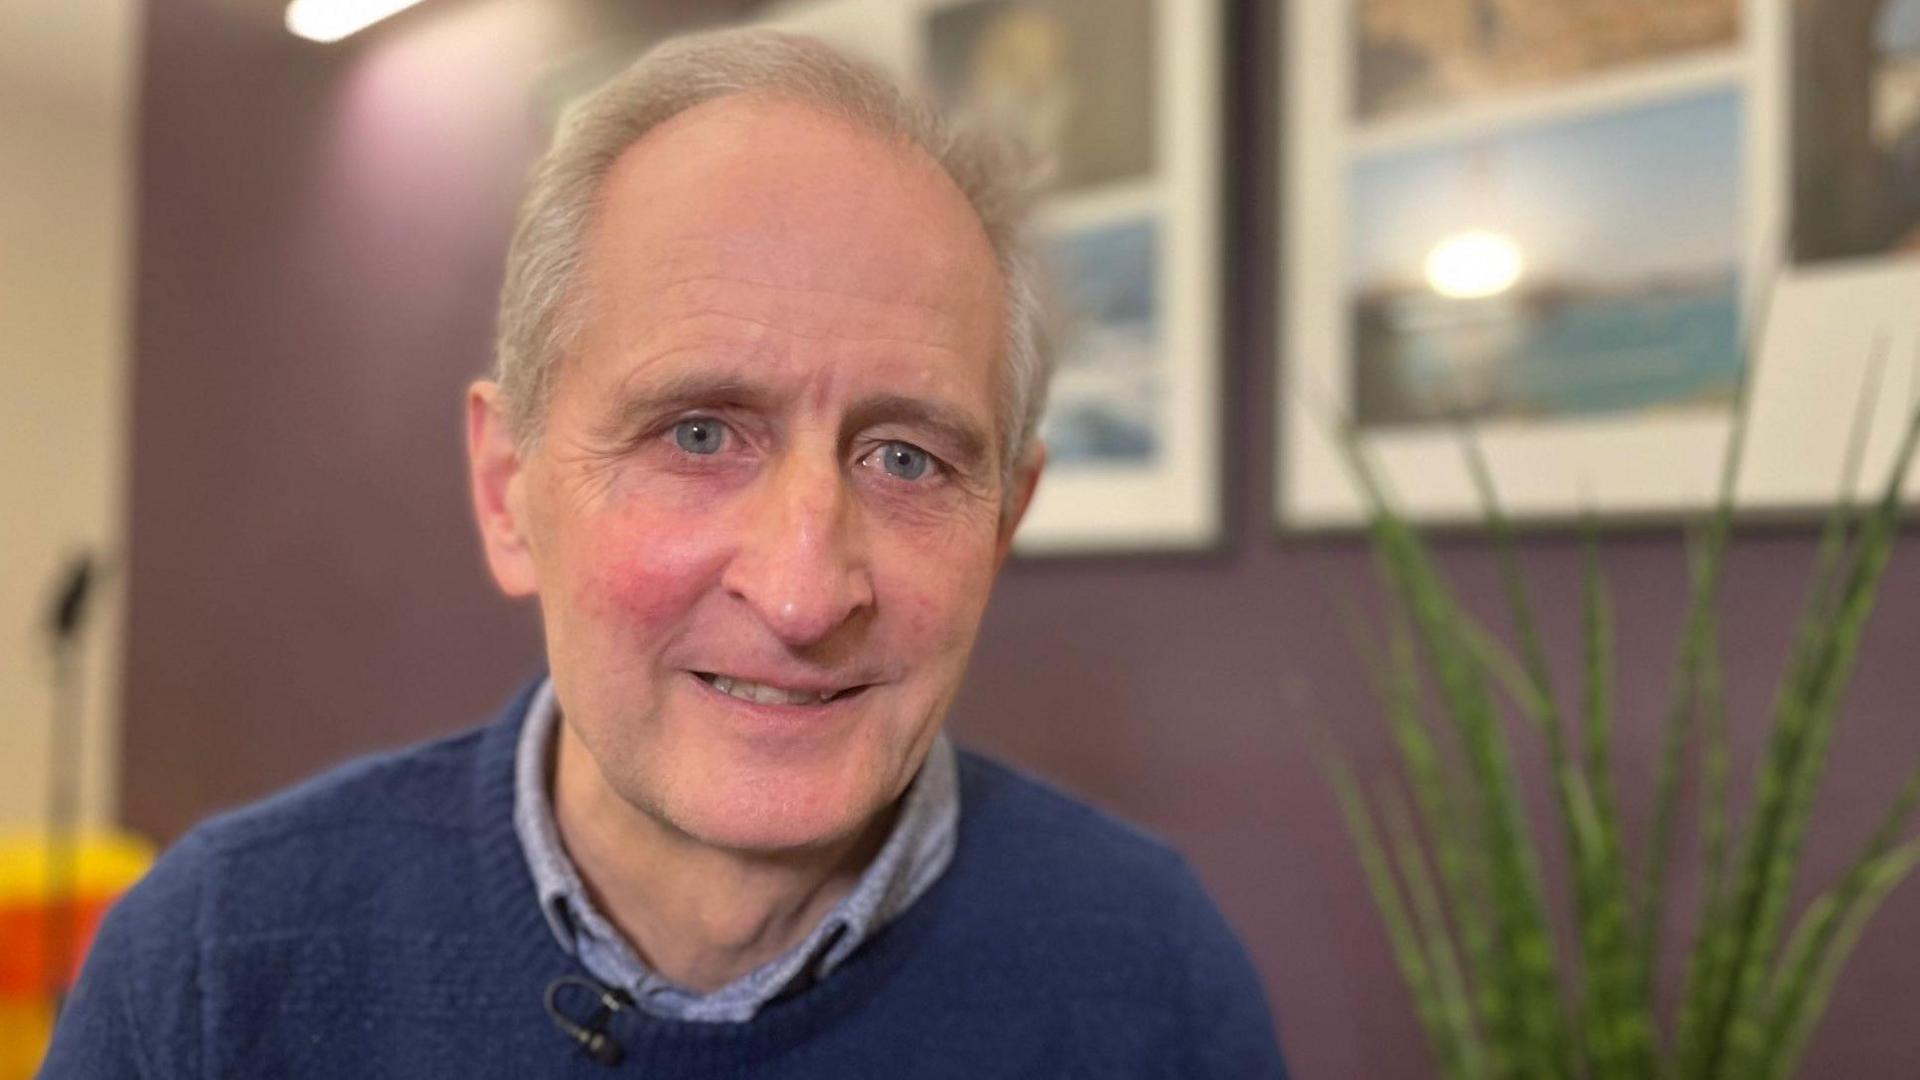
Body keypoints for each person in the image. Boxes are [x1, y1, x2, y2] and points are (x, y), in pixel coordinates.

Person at [42, 29, 1287, 1078]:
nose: (803, 593)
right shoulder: (212, 972)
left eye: (906, 459)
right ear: (508, 491)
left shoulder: (1157, 983)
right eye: (698, 434)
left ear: (1003, 525)